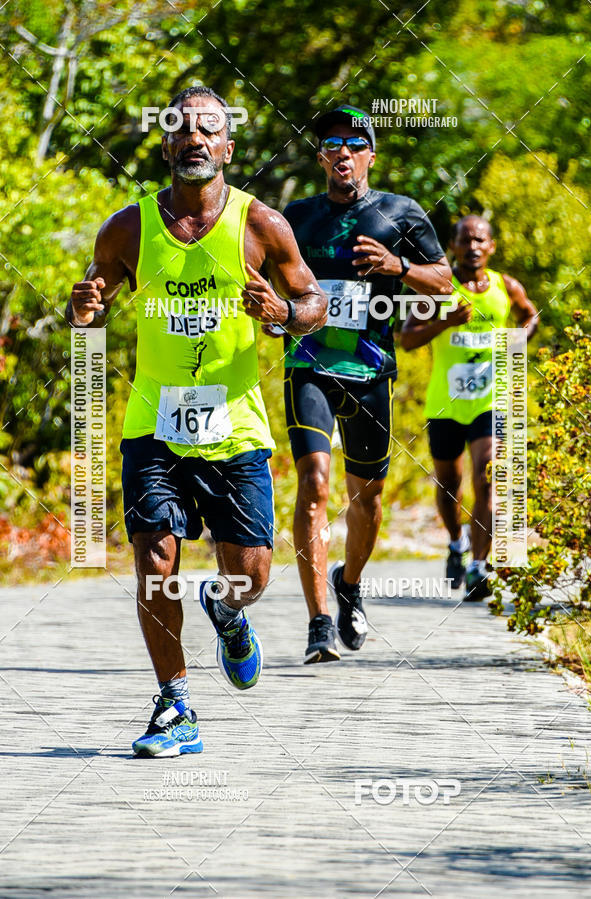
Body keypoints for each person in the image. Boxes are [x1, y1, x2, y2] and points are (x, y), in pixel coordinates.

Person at [66, 86, 326, 757]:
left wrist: (283, 315)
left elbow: (314, 302)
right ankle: (175, 703)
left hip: (235, 427)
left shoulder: (262, 224)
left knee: (253, 574)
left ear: (228, 147)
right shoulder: (128, 228)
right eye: (182, 129)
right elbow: (93, 309)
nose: (195, 138)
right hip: (154, 422)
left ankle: (229, 611)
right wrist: (84, 312)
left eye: (209, 129)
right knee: (155, 560)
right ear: (166, 144)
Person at [276, 105, 452, 662]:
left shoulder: (401, 214)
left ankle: (348, 581)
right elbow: (261, 280)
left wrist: (398, 267)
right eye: (332, 144)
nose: (343, 153)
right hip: (308, 366)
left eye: (355, 144)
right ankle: (318, 622)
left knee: (367, 500)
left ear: (371, 154)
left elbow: (444, 283)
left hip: (372, 373)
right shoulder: (294, 219)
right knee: (313, 487)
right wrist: (273, 308)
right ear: (321, 156)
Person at [400, 215, 537, 600]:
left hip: (489, 401)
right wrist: (446, 322)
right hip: (445, 403)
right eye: (466, 240)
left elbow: (530, 314)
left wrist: (517, 339)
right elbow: (407, 338)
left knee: (487, 478)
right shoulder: (439, 290)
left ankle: (479, 566)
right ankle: (456, 541)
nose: (473, 246)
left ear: (491, 246)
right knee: (449, 487)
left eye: (480, 240)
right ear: (453, 245)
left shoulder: (504, 286)